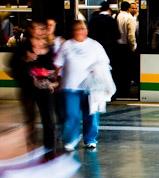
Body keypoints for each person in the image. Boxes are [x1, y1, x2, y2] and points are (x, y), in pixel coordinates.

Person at [55, 20, 111, 152]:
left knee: (91, 115)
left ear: (87, 30)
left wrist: (97, 69)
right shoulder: (66, 45)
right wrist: (55, 77)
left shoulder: (95, 45)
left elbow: (105, 62)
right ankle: (70, 139)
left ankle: (90, 139)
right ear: (73, 31)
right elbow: (58, 64)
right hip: (70, 87)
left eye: (83, 29)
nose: (81, 31)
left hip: (91, 88)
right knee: (71, 115)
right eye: (77, 29)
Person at [9, 19, 58, 152]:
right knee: (30, 120)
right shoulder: (22, 47)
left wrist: (51, 75)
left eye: (42, 28)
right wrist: (26, 60)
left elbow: (52, 67)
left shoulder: (49, 47)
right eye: (38, 27)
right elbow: (12, 67)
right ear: (31, 30)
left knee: (48, 120)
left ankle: (49, 149)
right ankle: (31, 146)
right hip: (27, 89)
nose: (41, 30)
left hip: (44, 89)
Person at [115, 1, 137, 97]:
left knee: (118, 71)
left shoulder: (115, 17)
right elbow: (131, 35)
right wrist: (133, 47)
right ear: (128, 9)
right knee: (127, 71)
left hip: (117, 47)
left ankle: (118, 90)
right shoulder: (130, 18)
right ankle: (125, 91)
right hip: (126, 47)